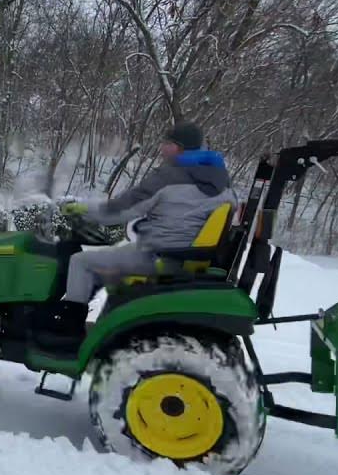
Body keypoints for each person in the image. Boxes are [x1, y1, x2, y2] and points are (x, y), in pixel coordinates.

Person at [48, 122, 237, 332]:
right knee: (109, 260)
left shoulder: (168, 176)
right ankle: (104, 323)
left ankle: (67, 329)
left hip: (160, 257)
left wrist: (80, 208)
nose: (162, 148)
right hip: (187, 255)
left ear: (179, 148)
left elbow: (116, 212)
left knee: (81, 261)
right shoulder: (221, 181)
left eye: (167, 143)